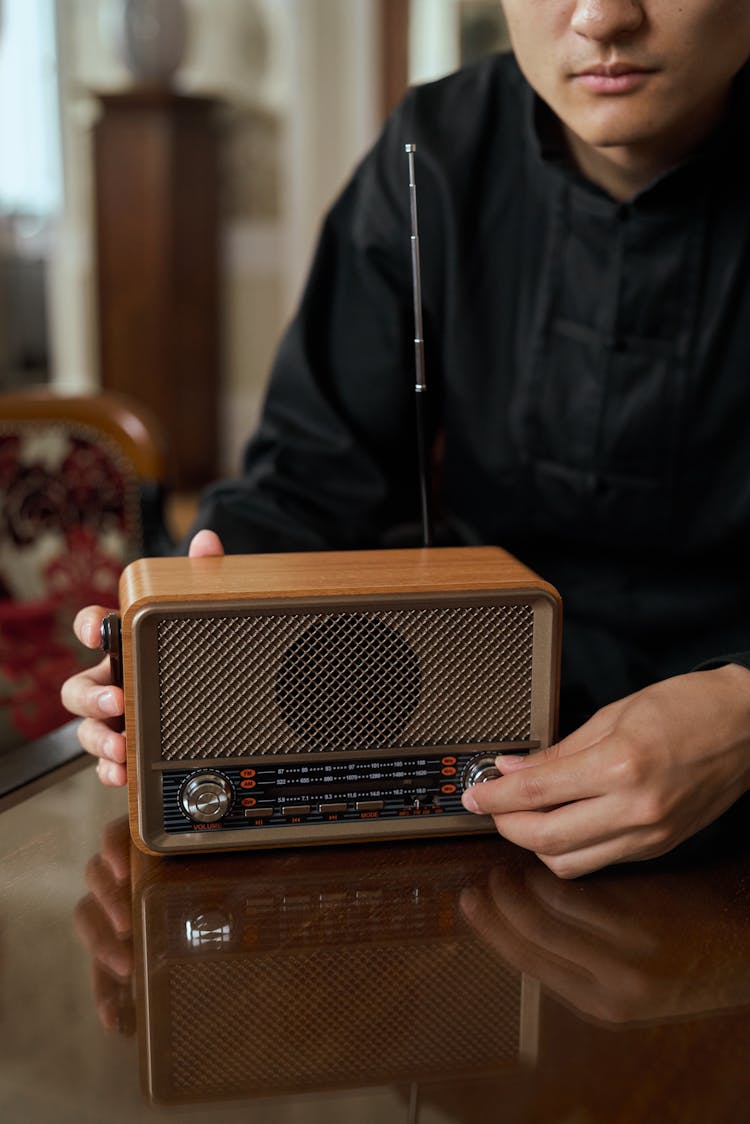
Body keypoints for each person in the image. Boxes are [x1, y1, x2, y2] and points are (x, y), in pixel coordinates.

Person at [62, 1, 750, 878]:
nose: (602, 16)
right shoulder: (433, 149)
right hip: (451, 755)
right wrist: (176, 640)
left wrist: (744, 710)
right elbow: (312, 478)